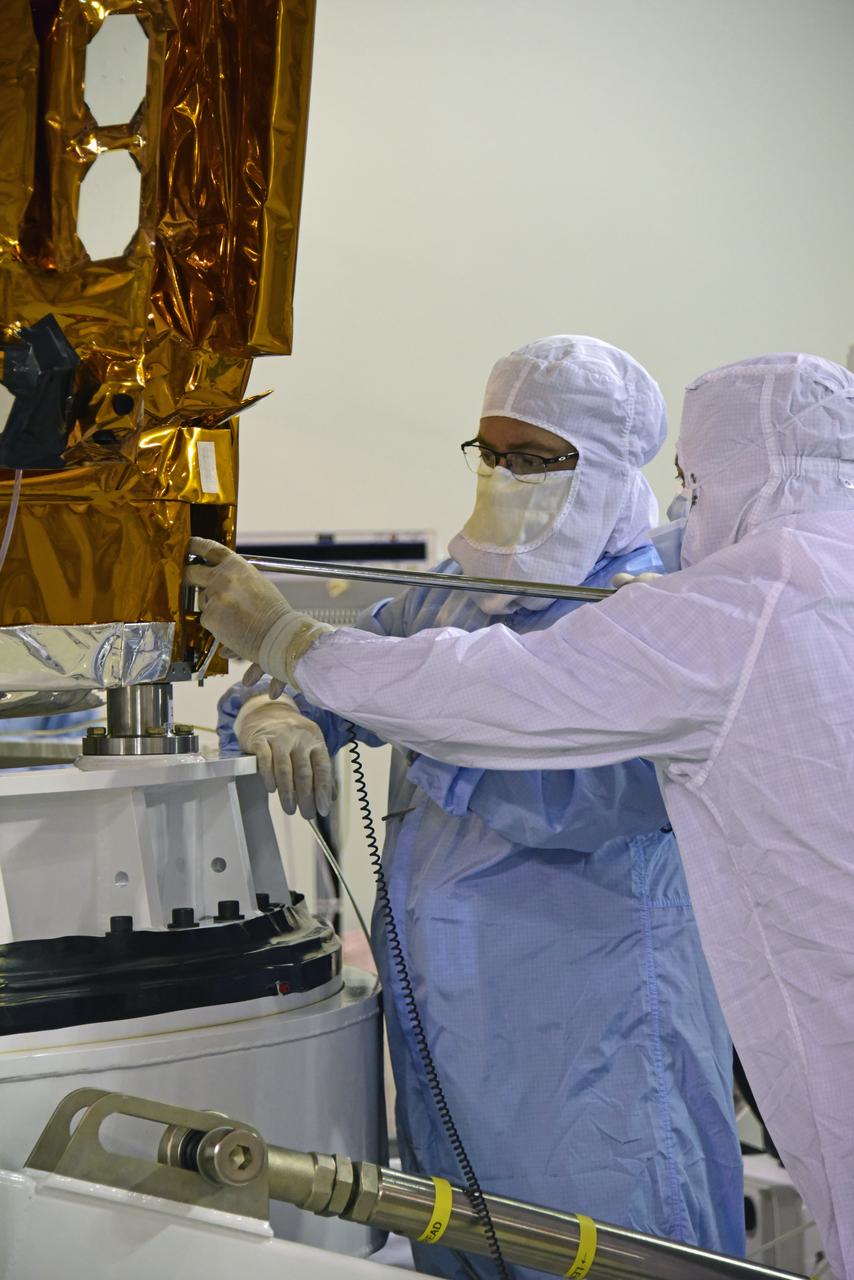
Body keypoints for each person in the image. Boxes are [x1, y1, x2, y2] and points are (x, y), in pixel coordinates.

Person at [187, 350, 854, 1280]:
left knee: (616, 1252)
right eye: (489, 452)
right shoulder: (456, 586)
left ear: (612, 462)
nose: (504, 479)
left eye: (535, 457)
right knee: (457, 1238)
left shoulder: (661, 597)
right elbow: (347, 664)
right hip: (444, 1029)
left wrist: (415, 723)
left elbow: (594, 795)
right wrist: (275, 702)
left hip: (593, 1034)